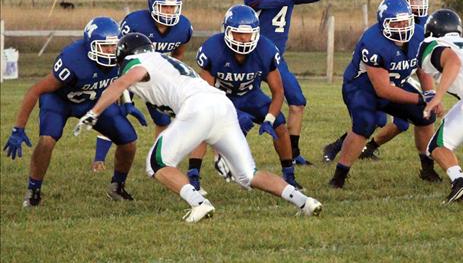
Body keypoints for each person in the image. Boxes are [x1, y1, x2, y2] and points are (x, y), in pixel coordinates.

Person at [74, 33, 323, 223]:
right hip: (221, 104)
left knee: (157, 163)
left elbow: (122, 83)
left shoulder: (136, 62)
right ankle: (305, 202)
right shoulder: (165, 60)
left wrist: (94, 112)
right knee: (248, 174)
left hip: (197, 107)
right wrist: (218, 151)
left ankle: (199, 202)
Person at [3, 17, 146, 207]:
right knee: (47, 140)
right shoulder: (73, 59)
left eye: (113, 46)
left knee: (128, 140)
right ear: (90, 46)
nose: (111, 51)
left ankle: (117, 187)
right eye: (105, 47)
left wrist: (126, 101)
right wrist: (18, 128)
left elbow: (121, 80)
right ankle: (33, 190)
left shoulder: (120, 57)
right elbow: (35, 90)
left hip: (94, 101)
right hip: (60, 100)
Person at [329, 0, 440, 189]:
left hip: (395, 82)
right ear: (383, 24)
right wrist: (420, 97)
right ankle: (339, 177)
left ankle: (427, 169)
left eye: (405, 22)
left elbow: (423, 69)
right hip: (362, 88)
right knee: (365, 125)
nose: (402, 27)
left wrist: (430, 94)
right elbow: (383, 89)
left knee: (425, 116)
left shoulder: (419, 35)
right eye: (396, 23)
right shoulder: (373, 42)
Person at [189, 4, 303, 191]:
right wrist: (228, 115)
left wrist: (269, 119)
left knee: (280, 126)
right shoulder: (213, 49)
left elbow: (278, 91)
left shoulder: (265, 49)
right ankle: (193, 177)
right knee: (202, 128)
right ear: (227, 32)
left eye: (248, 34)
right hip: (221, 97)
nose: (243, 39)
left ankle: (289, 175)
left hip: (251, 96)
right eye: (238, 34)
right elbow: (204, 94)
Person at [244, 0, 338, 165]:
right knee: (243, 107)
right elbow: (277, 1)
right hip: (251, 57)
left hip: (275, 59)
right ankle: (231, 153)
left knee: (297, 102)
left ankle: (294, 155)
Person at [92, 0, 193, 172]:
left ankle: (158, 159)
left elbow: (178, 53)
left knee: (163, 119)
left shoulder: (183, 27)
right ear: (153, 5)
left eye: (172, 7)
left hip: (154, 76)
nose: (169, 12)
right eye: (164, 7)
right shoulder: (136, 23)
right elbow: (118, 51)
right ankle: (99, 159)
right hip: (129, 71)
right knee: (115, 113)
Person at [419, 9, 463, 203]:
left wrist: (436, 97)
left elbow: (453, 62)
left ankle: (459, 181)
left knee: (437, 146)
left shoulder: (430, 44)